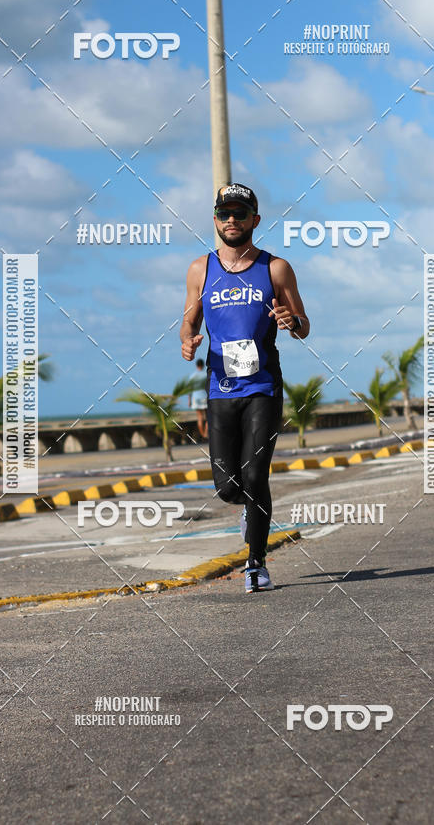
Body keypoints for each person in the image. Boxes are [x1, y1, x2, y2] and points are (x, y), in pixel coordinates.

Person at [180, 183, 310, 593]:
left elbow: (302, 325)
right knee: (226, 487)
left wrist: (292, 322)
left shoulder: (276, 268)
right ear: (216, 220)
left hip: (263, 389)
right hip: (220, 389)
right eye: (224, 214)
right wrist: (187, 340)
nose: (231, 220)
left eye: (240, 213)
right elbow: (188, 320)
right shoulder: (201, 269)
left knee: (255, 475)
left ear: (255, 220)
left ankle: (256, 563)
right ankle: (251, 513)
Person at [188, 358, 209, 440]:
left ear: (196, 365)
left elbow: (189, 389)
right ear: (203, 365)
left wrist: (189, 400)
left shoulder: (193, 376)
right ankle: (206, 433)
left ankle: (203, 435)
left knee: (199, 417)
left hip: (196, 398)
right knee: (208, 418)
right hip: (205, 397)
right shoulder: (206, 374)